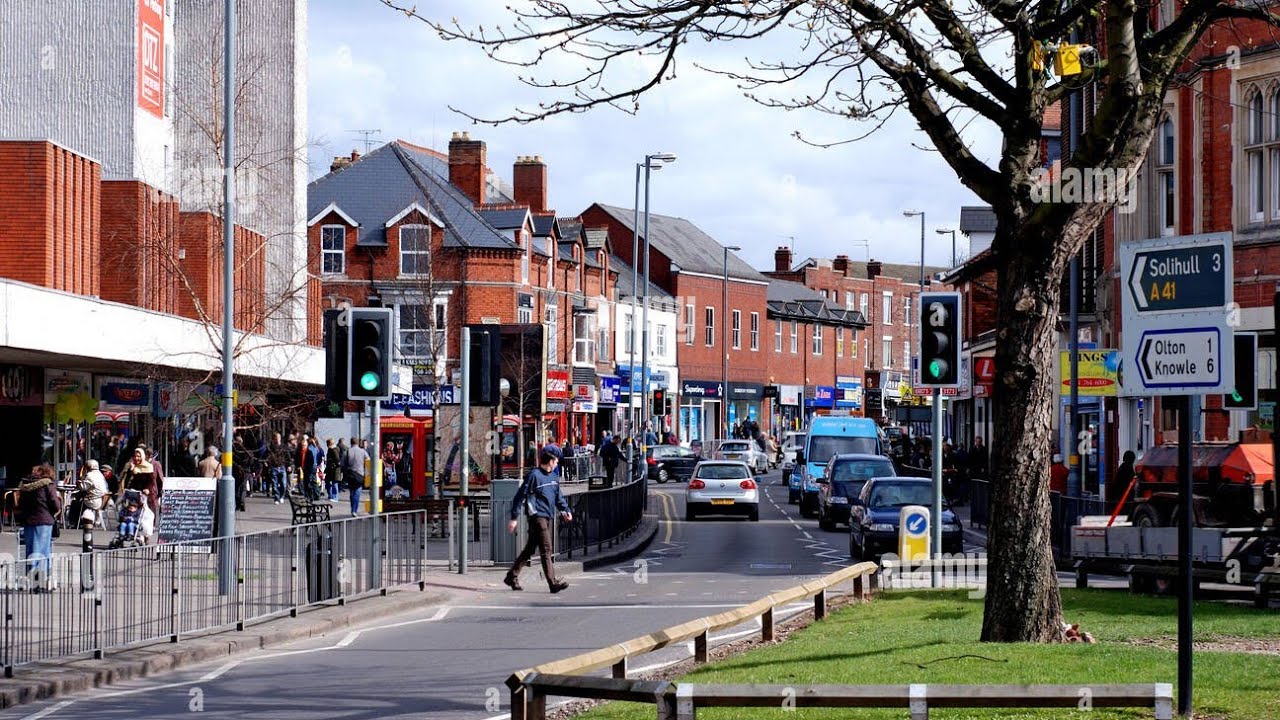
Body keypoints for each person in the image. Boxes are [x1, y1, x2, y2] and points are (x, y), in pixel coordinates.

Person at [505, 444, 572, 593]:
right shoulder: (534, 476)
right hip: (537, 517)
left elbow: (558, 496)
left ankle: (511, 576)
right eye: (556, 460)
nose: (557, 463)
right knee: (546, 549)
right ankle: (552, 583)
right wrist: (514, 517)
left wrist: (565, 510)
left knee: (529, 550)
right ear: (551, 460)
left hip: (547, 516)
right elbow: (519, 496)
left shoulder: (554, 477)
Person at [17, 464, 62, 590]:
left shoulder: (25, 486)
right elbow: (55, 504)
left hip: (28, 521)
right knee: (43, 551)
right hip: (43, 520)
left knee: (30, 549)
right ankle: (39, 580)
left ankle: (31, 578)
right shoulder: (47, 484)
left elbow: (20, 504)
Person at [120, 447, 160, 515]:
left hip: (147, 495)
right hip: (135, 495)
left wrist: (147, 489)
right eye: (135, 456)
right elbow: (128, 480)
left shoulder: (148, 466)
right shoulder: (133, 466)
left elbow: (151, 481)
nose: (136, 458)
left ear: (142, 456)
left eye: (138, 456)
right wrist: (131, 470)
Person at [344, 438, 369, 516]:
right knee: (357, 492)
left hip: (350, 474)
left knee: (352, 492)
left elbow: (342, 464)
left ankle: (352, 509)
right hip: (360, 474)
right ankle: (354, 510)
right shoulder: (363, 452)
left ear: (351, 442)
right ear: (358, 443)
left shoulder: (347, 451)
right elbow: (368, 461)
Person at [267, 432, 289, 504]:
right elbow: (267, 456)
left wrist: (289, 465)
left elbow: (288, 456)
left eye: (278, 438)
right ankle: (276, 498)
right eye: (276, 438)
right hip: (274, 467)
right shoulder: (271, 447)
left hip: (282, 466)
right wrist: (267, 463)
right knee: (274, 484)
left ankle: (281, 496)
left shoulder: (283, 447)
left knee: (283, 483)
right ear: (274, 439)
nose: (277, 439)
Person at [325, 439, 342, 503]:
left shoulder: (333, 449)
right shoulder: (333, 449)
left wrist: (334, 465)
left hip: (334, 469)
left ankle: (335, 497)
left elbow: (337, 459)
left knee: (334, 483)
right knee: (330, 482)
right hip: (332, 469)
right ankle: (332, 496)